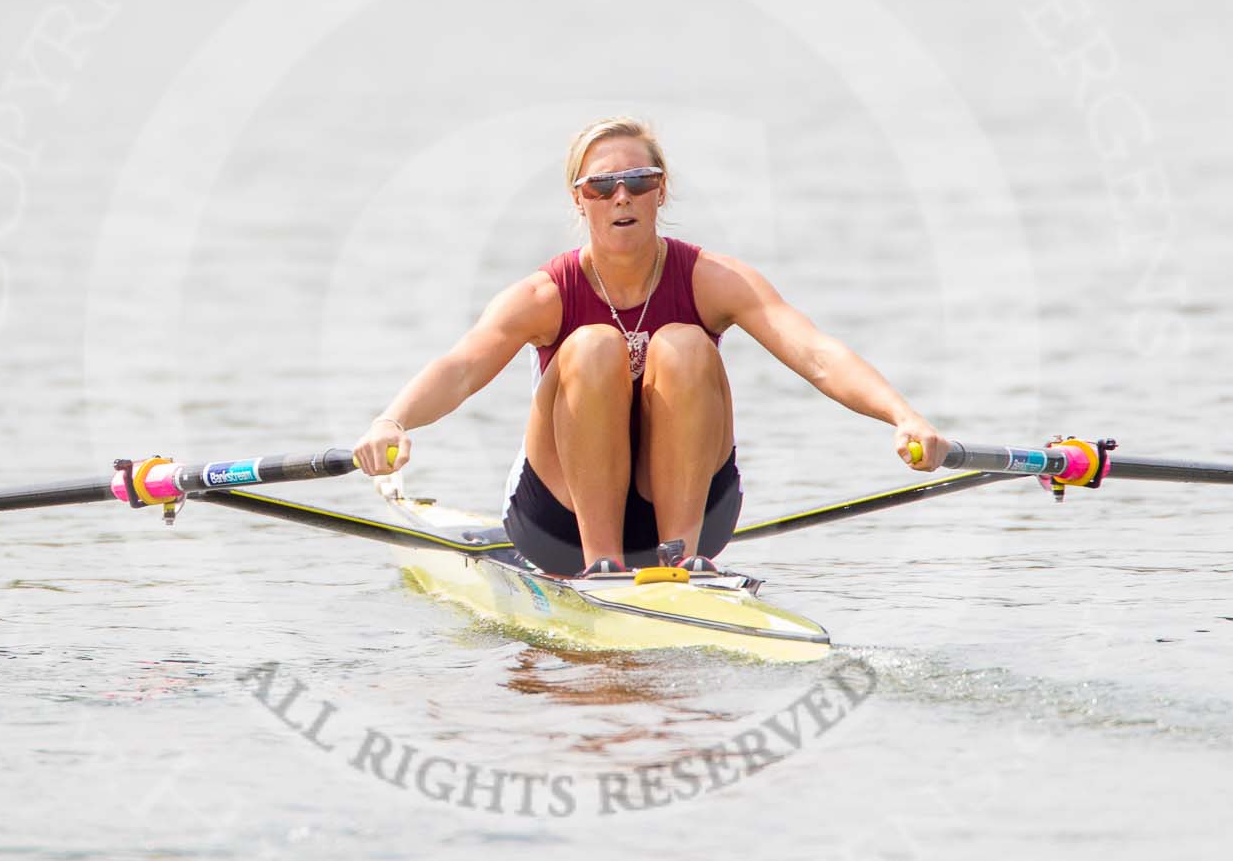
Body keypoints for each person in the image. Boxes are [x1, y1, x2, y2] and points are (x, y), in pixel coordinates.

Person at [352, 118, 948, 577]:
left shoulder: (712, 279)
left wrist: (905, 417)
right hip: (559, 519)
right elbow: (459, 368)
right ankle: (601, 565)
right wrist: (391, 421)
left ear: (661, 192)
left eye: (639, 182)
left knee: (685, 344)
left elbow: (818, 355)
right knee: (591, 347)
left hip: (692, 507)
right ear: (579, 198)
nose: (622, 197)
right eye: (602, 185)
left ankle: (682, 564)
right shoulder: (545, 293)